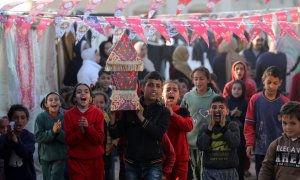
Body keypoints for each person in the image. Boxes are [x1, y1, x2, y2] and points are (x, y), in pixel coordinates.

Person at [109, 71, 170, 180]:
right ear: (142, 87)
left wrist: (141, 118)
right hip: (131, 163)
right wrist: (113, 118)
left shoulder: (163, 111)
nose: (154, 89)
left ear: (161, 90)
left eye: (158, 86)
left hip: (153, 164)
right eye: (151, 85)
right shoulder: (130, 108)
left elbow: (158, 133)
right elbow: (116, 134)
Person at [244, 66, 289, 177]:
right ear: (263, 80)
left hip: (280, 149)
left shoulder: (285, 102)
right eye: (269, 82)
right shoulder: (255, 99)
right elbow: (249, 124)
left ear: (280, 83)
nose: (271, 86)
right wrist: (249, 143)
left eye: (275, 83)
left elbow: (290, 128)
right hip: (261, 149)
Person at [180, 67, 218, 180]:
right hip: (190, 144)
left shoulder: (215, 97)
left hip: (209, 144)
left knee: (205, 174)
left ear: (208, 80)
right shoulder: (188, 97)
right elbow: (181, 116)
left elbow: (222, 117)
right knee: (193, 174)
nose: (198, 82)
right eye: (196, 79)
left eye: (201, 79)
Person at [64, 83, 105, 180]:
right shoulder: (68, 115)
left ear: (90, 98)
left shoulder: (98, 113)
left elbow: (99, 139)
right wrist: (80, 132)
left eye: (86, 92)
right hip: (76, 161)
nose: (83, 94)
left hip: (95, 160)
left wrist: (88, 128)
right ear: (74, 98)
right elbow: (68, 141)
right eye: (79, 92)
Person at [197, 96, 240, 180]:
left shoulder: (232, 126)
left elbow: (235, 143)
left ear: (227, 111)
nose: (217, 110)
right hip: (210, 172)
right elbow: (201, 146)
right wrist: (209, 130)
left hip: (229, 172)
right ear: (209, 112)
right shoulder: (205, 128)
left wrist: (224, 128)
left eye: (221, 107)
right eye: (214, 107)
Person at [258, 101, 300, 179]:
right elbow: (266, 168)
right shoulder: (275, 144)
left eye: (292, 123)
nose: (287, 127)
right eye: (284, 123)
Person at [162, 80, 193, 180]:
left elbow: (189, 126)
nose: (171, 92)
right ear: (162, 95)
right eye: (168, 90)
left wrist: (173, 114)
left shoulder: (183, 111)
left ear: (179, 96)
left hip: (180, 159)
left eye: (174, 90)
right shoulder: (158, 111)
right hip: (163, 159)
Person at [34, 92, 67, 180]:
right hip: (45, 157)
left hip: (60, 157)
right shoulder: (40, 118)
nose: (53, 102)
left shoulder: (64, 118)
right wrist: (52, 132)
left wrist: (59, 132)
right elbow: (38, 137)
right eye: (50, 100)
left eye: (56, 99)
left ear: (60, 103)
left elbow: (68, 139)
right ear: (46, 104)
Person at [0, 104, 36, 180]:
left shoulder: (30, 137)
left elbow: (26, 153)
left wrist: (16, 141)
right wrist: (9, 140)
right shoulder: (4, 137)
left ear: (27, 120)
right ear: (9, 120)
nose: (19, 120)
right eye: (16, 118)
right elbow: (3, 154)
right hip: (10, 176)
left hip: (27, 177)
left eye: (23, 118)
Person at [93, 91, 119, 180]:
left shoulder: (108, 116)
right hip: (94, 152)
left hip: (108, 150)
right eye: (95, 103)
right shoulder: (90, 116)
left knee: (108, 173)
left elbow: (115, 131)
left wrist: (114, 143)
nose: (98, 105)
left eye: (101, 102)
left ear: (105, 104)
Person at [226, 80, 248, 180]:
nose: (236, 91)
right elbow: (222, 116)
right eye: (234, 89)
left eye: (239, 89)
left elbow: (249, 119)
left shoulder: (246, 103)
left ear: (243, 90)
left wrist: (241, 114)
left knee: (240, 159)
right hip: (228, 136)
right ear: (231, 90)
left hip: (241, 137)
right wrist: (230, 113)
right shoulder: (227, 101)